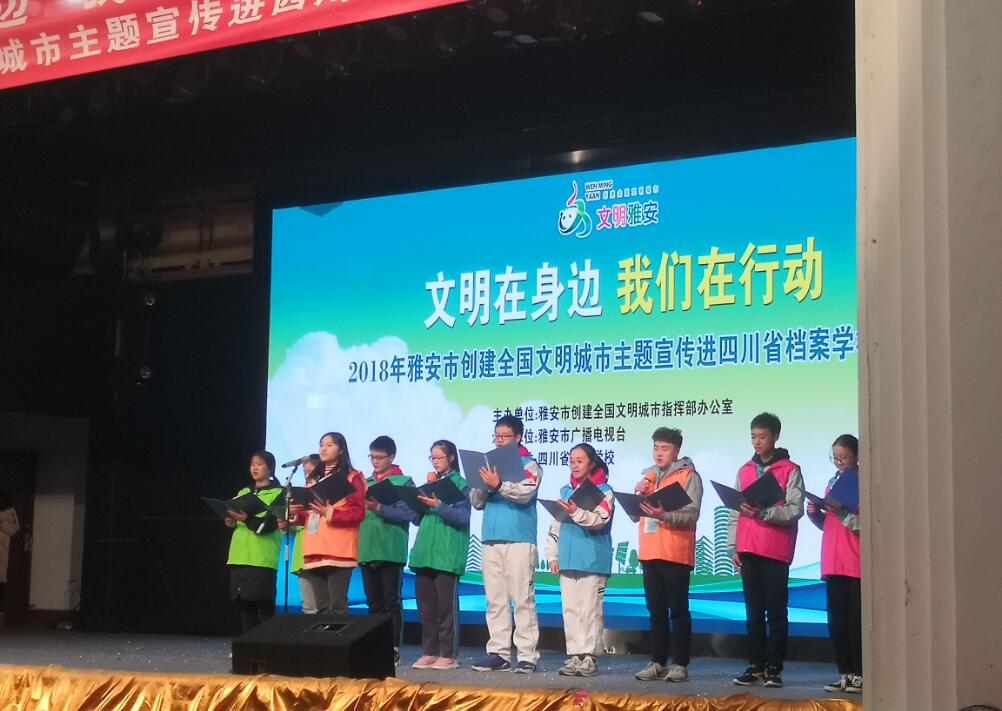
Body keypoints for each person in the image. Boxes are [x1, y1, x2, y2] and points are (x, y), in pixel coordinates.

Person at [728, 412, 805, 689]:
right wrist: (733, 546)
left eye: (762, 437)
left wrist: (765, 513)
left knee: (776, 612)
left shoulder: (789, 469)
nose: (757, 442)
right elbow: (735, 511)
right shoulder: (745, 470)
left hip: (775, 550)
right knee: (753, 612)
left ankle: (774, 667)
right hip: (748, 548)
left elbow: (795, 509)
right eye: (753, 437)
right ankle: (755, 665)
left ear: (775, 437)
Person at [470, 414, 543, 673]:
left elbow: (525, 494)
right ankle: (498, 653)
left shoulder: (529, 464)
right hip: (491, 538)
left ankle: (527, 655)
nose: (499, 441)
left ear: (518, 437)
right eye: (497, 436)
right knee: (495, 599)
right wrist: (484, 484)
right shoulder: (487, 465)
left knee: (522, 599)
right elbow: (476, 502)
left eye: (504, 436)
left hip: (519, 539)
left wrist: (499, 484)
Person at [632, 427, 703, 683]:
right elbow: (635, 516)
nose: (659, 453)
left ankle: (680, 664)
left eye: (665, 448)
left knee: (679, 611)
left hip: (675, 553)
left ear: (677, 450)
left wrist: (665, 515)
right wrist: (637, 497)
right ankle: (657, 662)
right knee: (656, 611)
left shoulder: (688, 476)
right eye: (656, 447)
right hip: (650, 551)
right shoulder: (649, 478)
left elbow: (692, 514)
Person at [545, 443, 615, 678]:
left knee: (590, 610)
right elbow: (555, 525)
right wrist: (552, 554)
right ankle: (575, 654)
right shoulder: (565, 491)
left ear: (591, 463)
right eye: (571, 461)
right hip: (568, 558)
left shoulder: (604, 490)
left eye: (579, 461)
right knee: (571, 610)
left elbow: (600, 520)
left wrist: (575, 512)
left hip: (593, 558)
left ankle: (590, 657)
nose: (574, 465)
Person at [409, 439, 471, 671]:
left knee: (446, 607)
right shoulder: (430, 484)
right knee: (426, 607)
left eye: (439, 457)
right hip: (424, 551)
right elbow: (415, 519)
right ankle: (430, 651)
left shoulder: (461, 484)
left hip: (447, 553)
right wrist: (418, 503)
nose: (435, 462)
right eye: (432, 458)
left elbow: (462, 517)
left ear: (451, 457)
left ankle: (448, 653)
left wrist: (437, 505)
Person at [808, 434, 862, 695]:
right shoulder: (832, 484)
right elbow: (830, 526)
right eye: (835, 457)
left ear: (857, 456)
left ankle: (861, 673)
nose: (839, 461)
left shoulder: (862, 483)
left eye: (844, 457)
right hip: (832, 561)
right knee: (836, 623)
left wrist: (841, 514)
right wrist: (815, 514)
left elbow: (867, 526)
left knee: (855, 623)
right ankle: (845, 673)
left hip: (855, 562)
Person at [289, 432, 366, 615]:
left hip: (339, 549)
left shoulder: (352, 477)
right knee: (322, 608)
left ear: (341, 450)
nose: (324, 449)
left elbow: (358, 513)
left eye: (330, 445)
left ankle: (341, 635)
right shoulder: (313, 479)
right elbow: (309, 515)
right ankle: (324, 635)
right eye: (321, 444)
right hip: (314, 547)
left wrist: (329, 512)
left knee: (337, 606)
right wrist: (296, 513)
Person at [359, 435, 418, 664]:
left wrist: (379, 508)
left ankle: (393, 647)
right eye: (372, 457)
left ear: (391, 457)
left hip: (391, 549)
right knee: (373, 603)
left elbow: (408, 513)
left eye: (380, 457)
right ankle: (374, 646)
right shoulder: (365, 483)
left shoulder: (403, 482)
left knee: (391, 601)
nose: (375, 461)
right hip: (367, 548)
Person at [225, 450, 284, 633]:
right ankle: (248, 644)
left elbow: (271, 525)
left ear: (270, 468)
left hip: (261, 558)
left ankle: (267, 644)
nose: (254, 468)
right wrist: (231, 520)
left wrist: (246, 518)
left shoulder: (279, 493)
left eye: (259, 464)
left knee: (264, 604)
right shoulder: (244, 492)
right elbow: (236, 521)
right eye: (252, 464)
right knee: (245, 605)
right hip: (239, 556)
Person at [290, 454, 321, 614]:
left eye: (310, 472)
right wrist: (290, 519)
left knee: (325, 605)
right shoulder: (300, 495)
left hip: (320, 553)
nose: (307, 476)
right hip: (301, 555)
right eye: (305, 472)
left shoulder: (326, 493)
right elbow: (294, 527)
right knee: (308, 607)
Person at [0, 489, 20, 626]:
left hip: (1, 555)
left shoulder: (10, 513)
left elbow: (14, 528)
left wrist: (1, 517)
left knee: (0, 586)